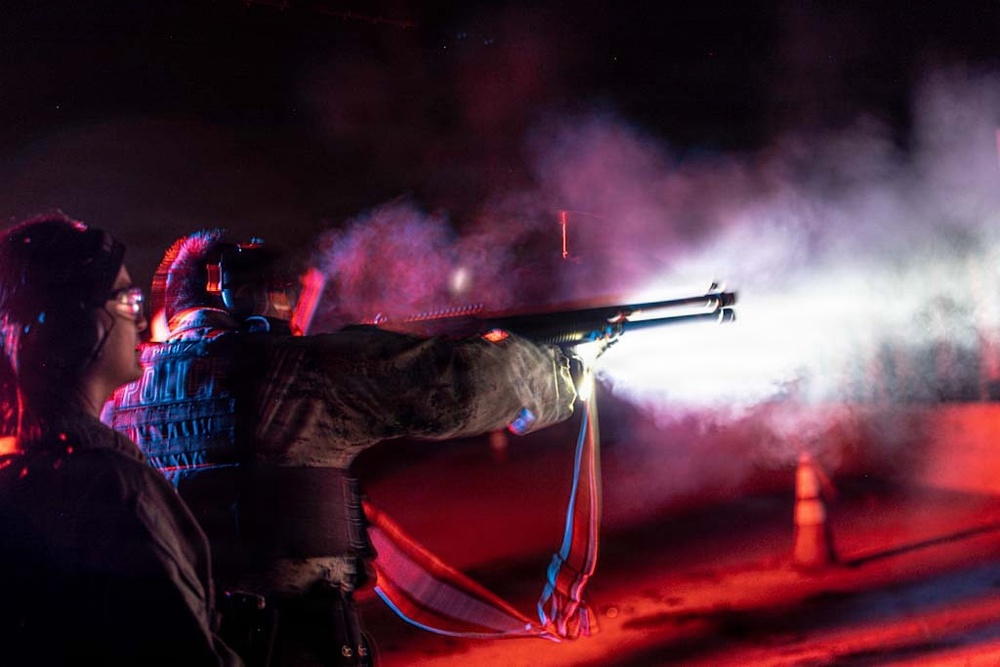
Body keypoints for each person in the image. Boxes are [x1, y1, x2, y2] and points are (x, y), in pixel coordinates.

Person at [102, 228, 579, 666]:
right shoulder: (295, 372)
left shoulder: (117, 396)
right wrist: (562, 373)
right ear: (234, 292)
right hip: (293, 643)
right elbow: (464, 385)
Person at [0, 213, 242, 666]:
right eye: (126, 300)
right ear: (84, 328)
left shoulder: (15, 472)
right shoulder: (112, 491)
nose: (140, 317)